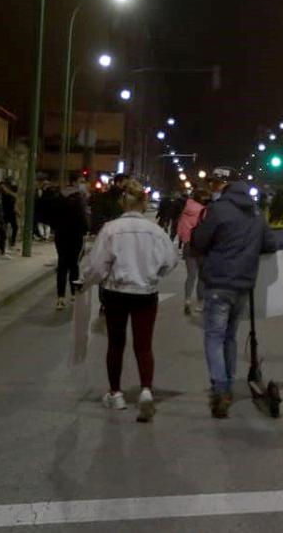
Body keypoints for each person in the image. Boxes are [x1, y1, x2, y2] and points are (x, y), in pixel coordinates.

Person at [79, 178, 178, 422]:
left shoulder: (111, 229)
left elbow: (98, 265)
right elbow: (171, 260)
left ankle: (116, 393)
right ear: (144, 203)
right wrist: (153, 275)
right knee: (144, 345)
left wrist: (89, 280)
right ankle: (145, 389)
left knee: (116, 343)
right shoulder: (156, 231)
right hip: (146, 293)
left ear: (123, 202)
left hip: (116, 292)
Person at [190, 168, 279, 418]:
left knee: (214, 337)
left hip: (218, 282)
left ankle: (220, 388)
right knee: (230, 336)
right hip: (243, 285)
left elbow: (199, 242)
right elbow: (270, 244)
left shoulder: (218, 211)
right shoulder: (257, 215)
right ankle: (228, 381)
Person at [51, 183, 89, 310]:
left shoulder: (58, 200)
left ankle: (60, 298)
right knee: (74, 265)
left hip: (61, 236)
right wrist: (85, 231)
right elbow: (83, 220)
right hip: (75, 236)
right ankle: (73, 294)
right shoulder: (79, 202)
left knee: (62, 265)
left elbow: (52, 219)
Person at [176, 187, 211, 315]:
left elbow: (180, 230)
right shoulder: (204, 211)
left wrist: (186, 239)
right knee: (201, 276)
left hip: (188, 245)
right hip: (201, 246)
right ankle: (200, 303)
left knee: (191, 275)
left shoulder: (185, 210)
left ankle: (187, 300)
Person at [0, 180, 19, 252]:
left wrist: (16, 210)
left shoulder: (11, 195)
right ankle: (3, 247)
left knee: (15, 227)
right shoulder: (1, 195)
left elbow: (14, 204)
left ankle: (12, 242)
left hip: (11, 214)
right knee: (4, 230)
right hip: (4, 214)